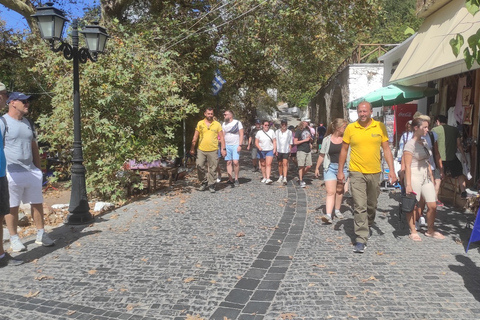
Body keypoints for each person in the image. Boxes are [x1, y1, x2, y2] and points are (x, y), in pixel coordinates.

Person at [337, 101, 397, 253]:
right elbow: (344, 150)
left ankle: (368, 223)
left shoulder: (380, 127)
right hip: (356, 171)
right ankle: (361, 238)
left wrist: (392, 170)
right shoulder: (351, 128)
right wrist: (340, 170)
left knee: (371, 204)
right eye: (360, 112)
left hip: (375, 172)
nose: (362, 114)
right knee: (359, 205)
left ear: (371, 112)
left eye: (365, 111)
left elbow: (387, 149)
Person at [1, 92, 55, 252]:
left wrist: (39, 170)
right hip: (11, 171)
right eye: (23, 101)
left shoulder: (28, 123)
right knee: (13, 206)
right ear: (12, 103)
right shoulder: (2, 122)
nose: (27, 104)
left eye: (28, 101)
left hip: (31, 171)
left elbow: (33, 147)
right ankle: (14, 238)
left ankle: (41, 234)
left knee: (37, 204)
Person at [403, 118, 445, 241]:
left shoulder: (424, 142)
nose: (427, 129)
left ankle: (430, 229)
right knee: (413, 205)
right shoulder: (410, 144)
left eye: (428, 127)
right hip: (414, 175)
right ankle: (413, 230)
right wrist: (408, 184)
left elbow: (427, 161)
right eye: (425, 127)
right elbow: (407, 165)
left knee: (432, 205)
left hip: (425, 175)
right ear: (416, 128)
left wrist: (431, 176)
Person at [0, 84, 23, 267]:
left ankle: (1, 256)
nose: (6, 97)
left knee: (1, 214)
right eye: (4, 94)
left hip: (1, 173)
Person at [314, 118, 348, 224]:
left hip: (344, 168)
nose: (346, 128)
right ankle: (328, 215)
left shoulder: (347, 139)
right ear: (338, 128)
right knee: (330, 192)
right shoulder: (327, 140)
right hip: (330, 167)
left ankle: (337, 210)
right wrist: (317, 168)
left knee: (339, 190)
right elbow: (322, 154)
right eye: (344, 127)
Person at [190, 107, 226, 193]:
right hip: (201, 149)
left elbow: (221, 137)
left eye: (211, 114)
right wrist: (192, 147)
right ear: (205, 114)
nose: (210, 115)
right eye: (208, 114)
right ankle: (204, 182)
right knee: (199, 165)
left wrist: (223, 149)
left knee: (213, 168)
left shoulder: (217, 124)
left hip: (213, 149)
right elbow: (195, 136)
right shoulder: (200, 123)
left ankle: (212, 184)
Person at [431, 115, 467, 199]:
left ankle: (435, 198)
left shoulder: (434, 130)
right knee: (460, 174)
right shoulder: (454, 130)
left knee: (438, 178)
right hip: (452, 158)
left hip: (439, 159)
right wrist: (464, 156)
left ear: (437, 121)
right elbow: (459, 145)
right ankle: (463, 192)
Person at [222, 110, 244, 187]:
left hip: (235, 145)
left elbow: (241, 134)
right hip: (227, 145)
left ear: (230, 115)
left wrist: (240, 145)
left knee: (235, 162)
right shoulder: (224, 124)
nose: (224, 116)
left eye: (225, 115)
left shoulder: (237, 123)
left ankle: (236, 179)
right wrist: (223, 148)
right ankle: (230, 179)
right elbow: (223, 136)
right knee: (228, 162)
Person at [255, 120, 276, 184]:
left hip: (269, 150)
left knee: (268, 164)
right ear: (262, 125)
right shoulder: (259, 132)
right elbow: (256, 142)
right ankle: (264, 177)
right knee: (263, 164)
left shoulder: (272, 131)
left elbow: (274, 141)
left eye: (268, 125)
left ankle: (268, 178)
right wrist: (259, 147)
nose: (267, 126)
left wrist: (275, 149)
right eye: (265, 125)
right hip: (261, 150)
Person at [294, 118, 313, 188]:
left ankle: (300, 176)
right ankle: (301, 180)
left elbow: (310, 140)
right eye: (306, 122)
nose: (307, 123)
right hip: (301, 150)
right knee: (301, 166)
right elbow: (295, 142)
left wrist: (310, 140)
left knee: (309, 166)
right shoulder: (298, 131)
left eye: (308, 122)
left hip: (308, 150)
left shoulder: (308, 130)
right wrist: (305, 140)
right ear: (303, 122)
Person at [275, 119, 292, 185]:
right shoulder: (277, 132)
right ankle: (280, 176)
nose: (284, 125)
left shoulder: (289, 132)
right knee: (279, 164)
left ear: (287, 125)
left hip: (286, 150)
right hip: (279, 150)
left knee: (285, 164)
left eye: (285, 124)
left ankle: (285, 177)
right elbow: (275, 141)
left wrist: (290, 150)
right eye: (283, 124)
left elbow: (290, 142)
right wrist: (275, 149)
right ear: (281, 124)